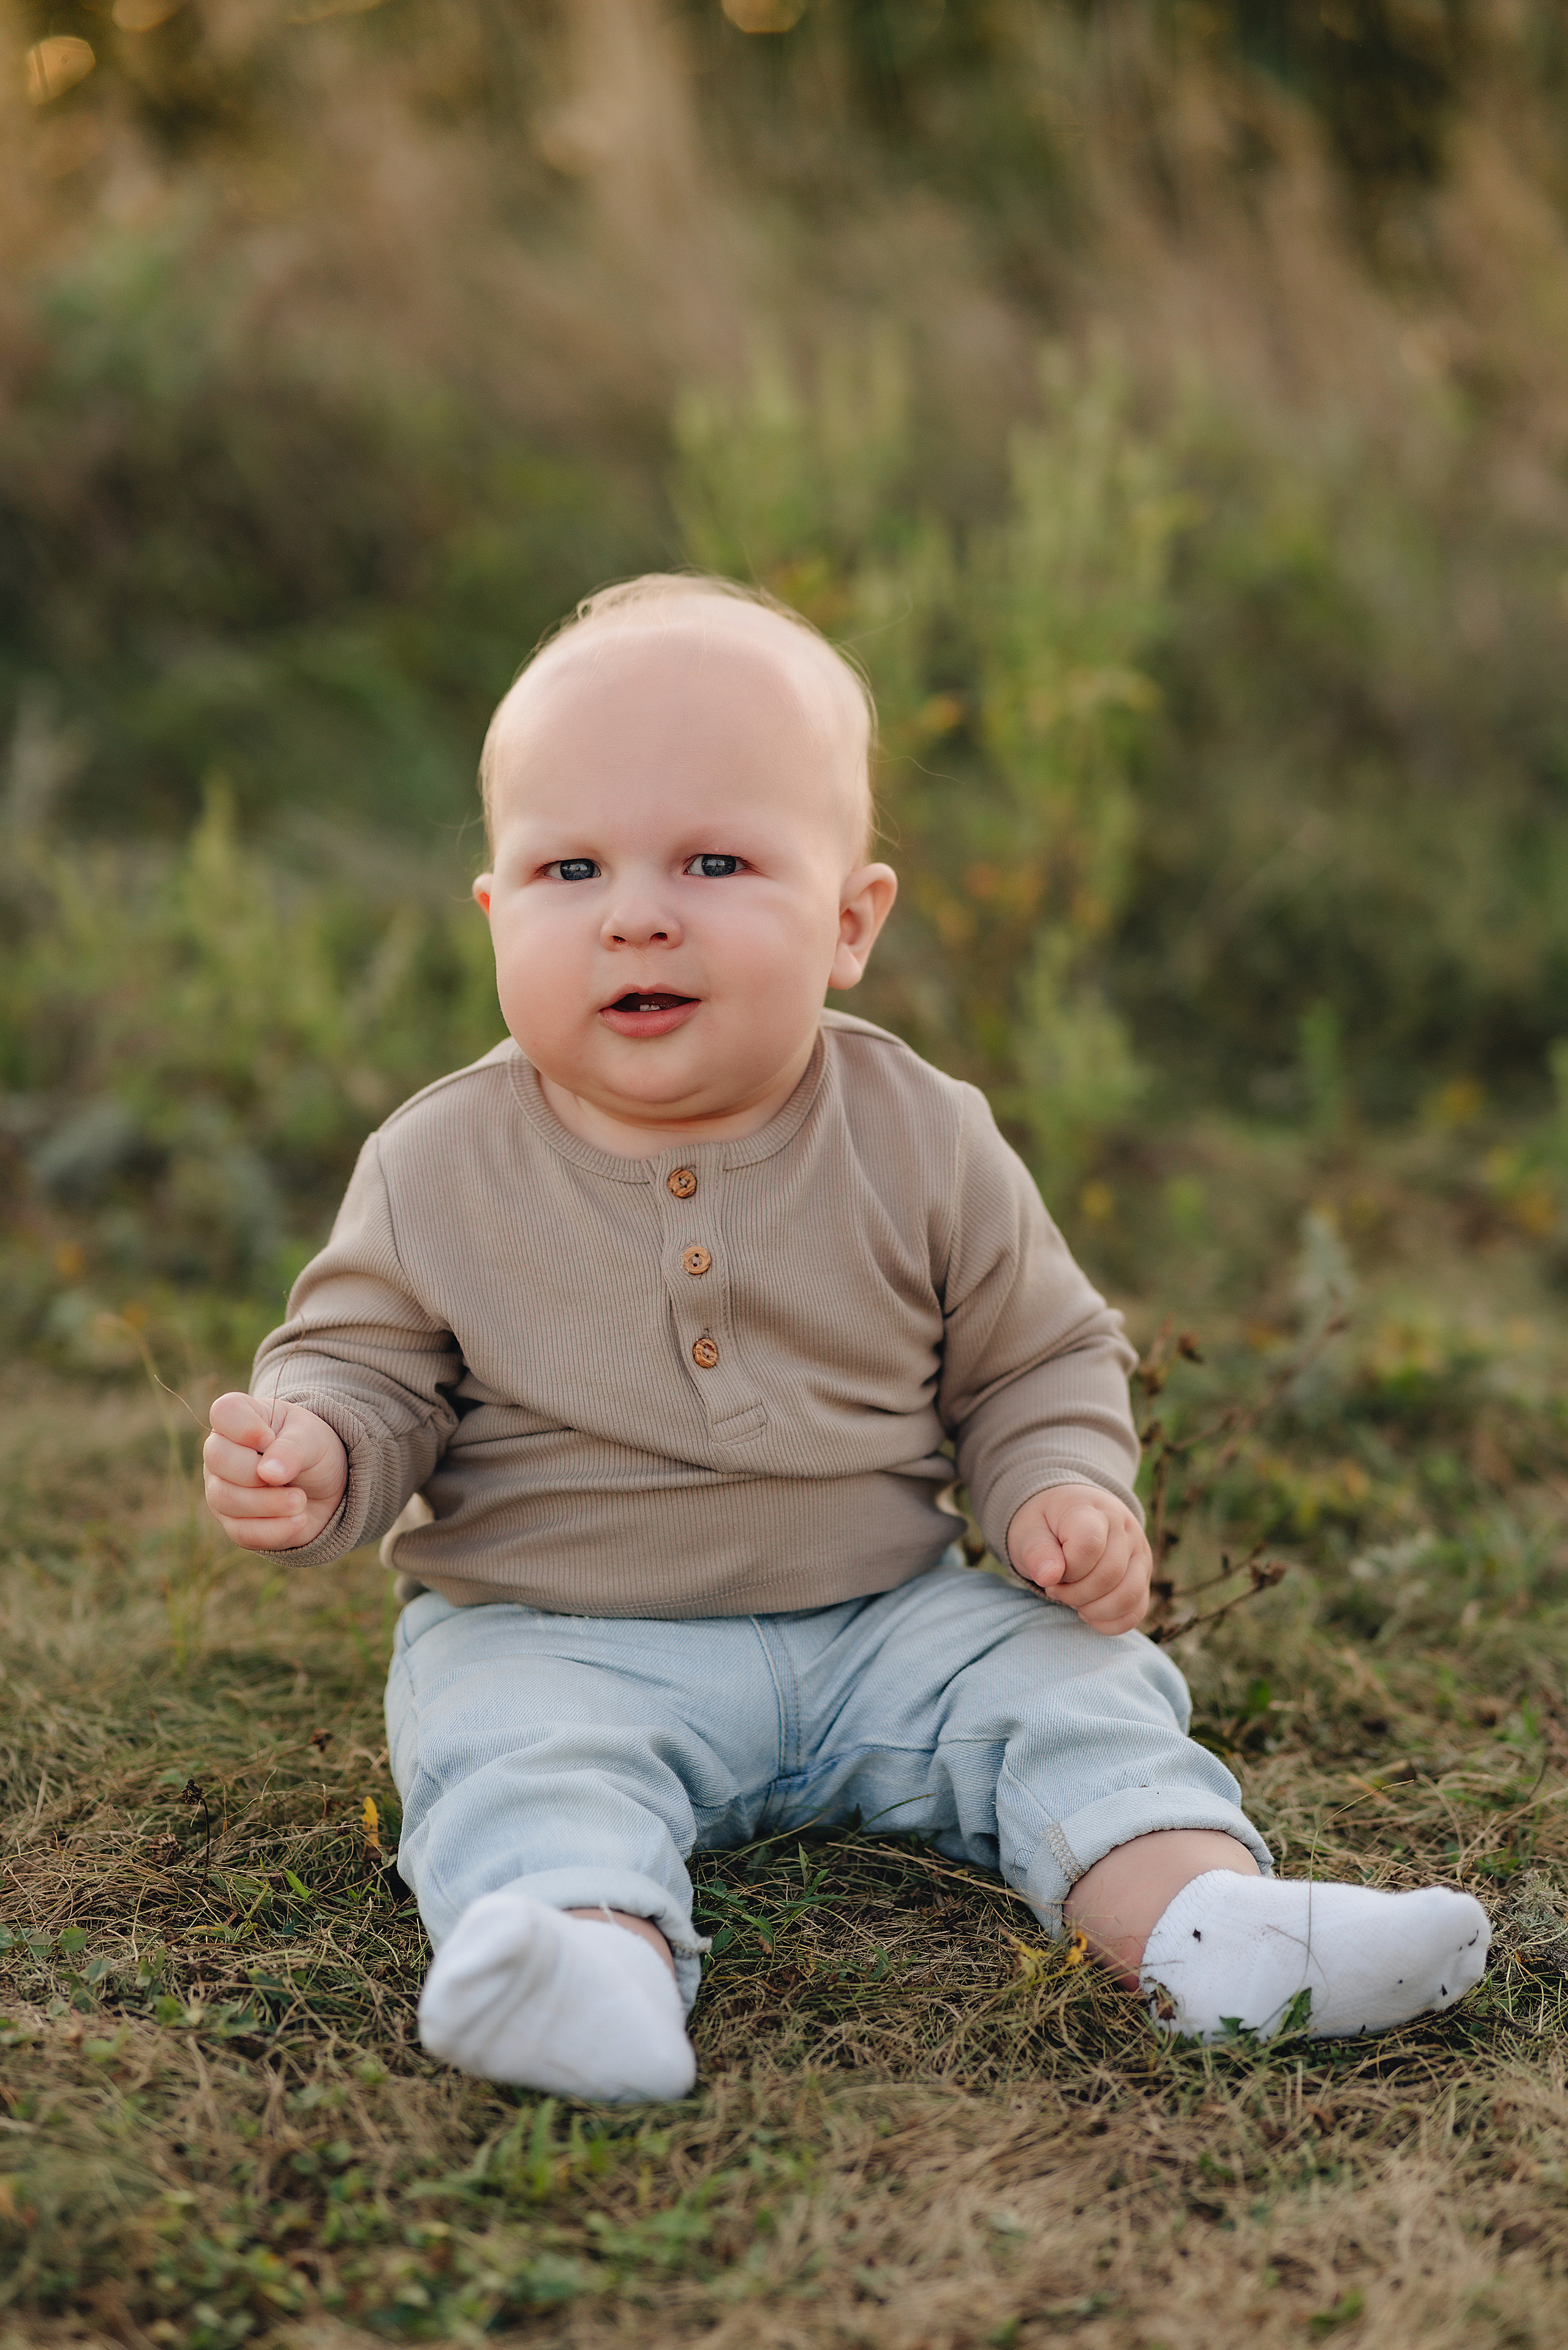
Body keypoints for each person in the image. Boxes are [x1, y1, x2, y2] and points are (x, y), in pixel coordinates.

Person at [202, 575, 1489, 2103]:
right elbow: (368, 1365)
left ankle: (1203, 1923)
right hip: (562, 1631)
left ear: (848, 920)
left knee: (1066, 1683)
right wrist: (319, 1450)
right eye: (568, 866)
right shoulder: (436, 1162)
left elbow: (1034, 1356)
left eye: (715, 859)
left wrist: (1053, 1490)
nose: (635, 909)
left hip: (885, 1619)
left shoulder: (919, 1133)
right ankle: (584, 1959)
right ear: (494, 907)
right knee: (512, 1749)